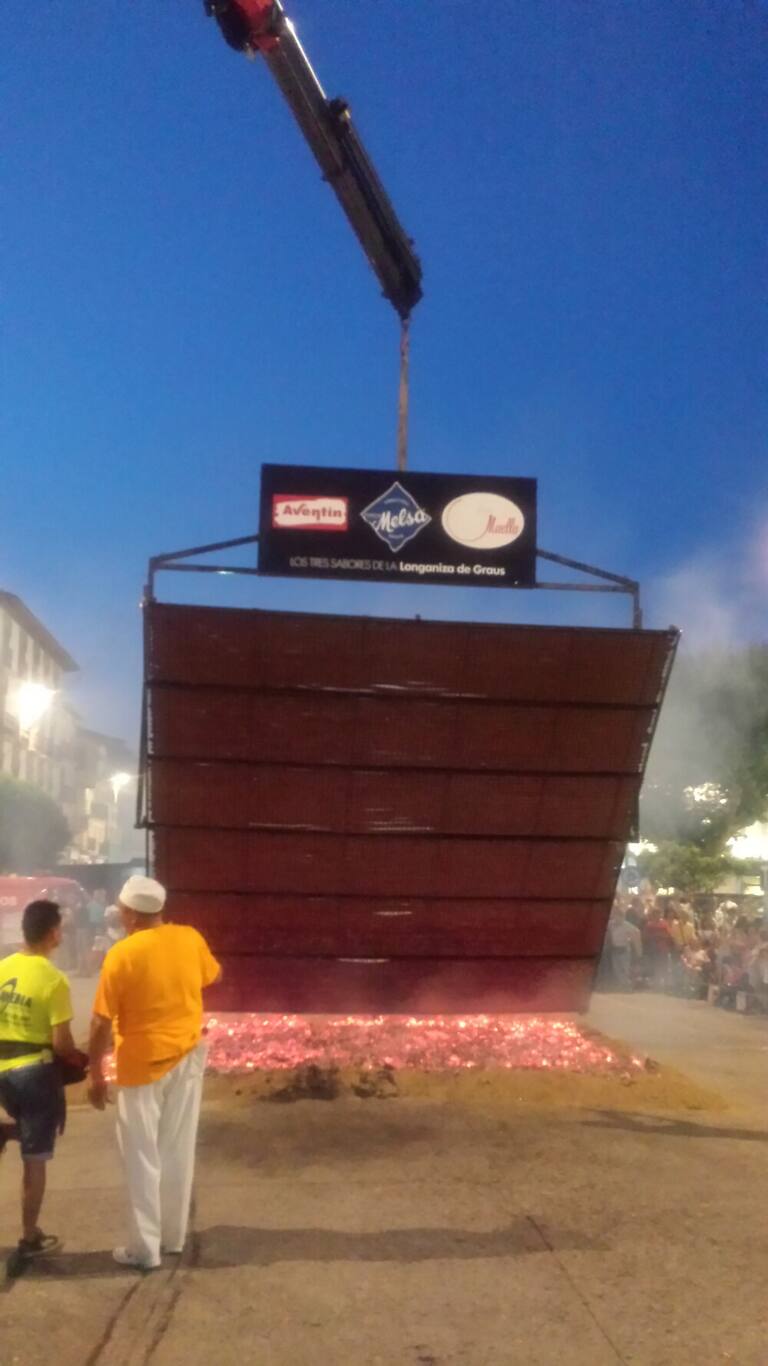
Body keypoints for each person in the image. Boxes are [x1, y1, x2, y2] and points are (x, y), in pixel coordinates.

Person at [88, 875, 221, 1270]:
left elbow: (99, 1023)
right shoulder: (190, 938)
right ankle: (172, 1238)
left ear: (131, 914)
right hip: (187, 1056)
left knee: (141, 1157)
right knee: (177, 1151)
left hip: (141, 1065)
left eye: (121, 909)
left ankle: (145, 1250)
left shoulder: (122, 954)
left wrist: (96, 1075)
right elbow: (214, 975)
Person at [0, 900, 76, 1262]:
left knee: (16, 1132)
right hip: (35, 1074)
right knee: (35, 1158)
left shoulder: (2, 968)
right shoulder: (54, 979)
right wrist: (80, 1059)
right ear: (53, 933)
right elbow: (62, 1044)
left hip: (2, 1073)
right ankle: (29, 1236)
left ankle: (8, 1130)